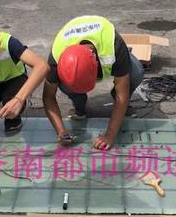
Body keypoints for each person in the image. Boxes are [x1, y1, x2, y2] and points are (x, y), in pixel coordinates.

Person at [43, 15, 145, 150]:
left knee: (136, 72)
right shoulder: (56, 57)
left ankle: (120, 107)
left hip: (109, 46)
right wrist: (61, 131)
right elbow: (48, 97)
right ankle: (79, 107)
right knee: (63, 84)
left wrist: (110, 135)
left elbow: (123, 94)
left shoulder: (113, 46)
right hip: (71, 51)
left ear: (96, 63)